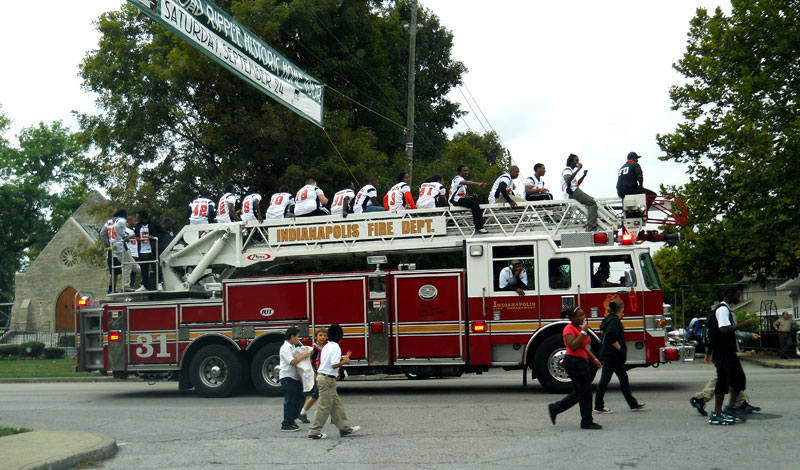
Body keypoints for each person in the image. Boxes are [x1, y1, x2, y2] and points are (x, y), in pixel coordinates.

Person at [547, 307, 603, 430]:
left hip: (582, 361)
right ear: (572, 318)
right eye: (579, 316)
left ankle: (555, 408)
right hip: (573, 362)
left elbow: (585, 347)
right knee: (586, 392)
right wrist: (583, 333)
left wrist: (594, 359)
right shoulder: (569, 329)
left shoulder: (579, 328)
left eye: (583, 314)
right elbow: (572, 346)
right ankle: (586, 421)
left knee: (580, 392)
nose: (583, 317)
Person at [707, 287, 753, 425]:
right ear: (730, 295)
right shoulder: (722, 309)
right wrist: (743, 324)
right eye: (738, 296)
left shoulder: (727, 309)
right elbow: (724, 329)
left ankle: (730, 408)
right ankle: (717, 413)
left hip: (729, 351)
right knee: (723, 381)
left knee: (738, 380)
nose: (739, 298)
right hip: (722, 352)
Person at [308, 323, 360, 440]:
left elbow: (329, 360)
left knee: (337, 405)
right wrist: (344, 362)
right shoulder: (336, 347)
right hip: (327, 379)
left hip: (324, 378)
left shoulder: (327, 346)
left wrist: (342, 357)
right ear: (340, 337)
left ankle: (345, 428)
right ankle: (314, 431)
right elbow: (333, 364)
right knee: (324, 406)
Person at [594, 299, 646, 414]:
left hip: (611, 355)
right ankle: (598, 406)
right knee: (605, 380)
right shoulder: (614, 321)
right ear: (620, 309)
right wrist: (620, 349)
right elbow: (611, 337)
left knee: (623, 379)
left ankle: (633, 404)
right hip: (612, 355)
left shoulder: (608, 319)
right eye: (623, 307)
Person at [279, 326, 312, 432]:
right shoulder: (285, 348)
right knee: (290, 400)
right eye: (297, 336)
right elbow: (292, 362)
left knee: (301, 397)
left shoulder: (293, 346)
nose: (299, 339)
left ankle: (292, 419)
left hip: (295, 377)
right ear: (292, 336)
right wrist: (304, 356)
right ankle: (286, 423)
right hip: (287, 377)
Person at [561, 154, 598, 231]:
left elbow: (576, 183)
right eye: (576, 160)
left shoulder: (570, 171)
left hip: (574, 190)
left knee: (590, 202)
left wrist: (584, 175)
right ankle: (591, 227)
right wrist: (578, 169)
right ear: (571, 161)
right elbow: (567, 179)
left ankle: (590, 223)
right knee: (592, 203)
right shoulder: (567, 170)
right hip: (573, 192)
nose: (578, 162)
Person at [299, 327, 328, 423]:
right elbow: (311, 363)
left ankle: (303, 413)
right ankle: (302, 413)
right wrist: (314, 374)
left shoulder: (324, 348)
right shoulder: (314, 349)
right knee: (316, 395)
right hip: (317, 375)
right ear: (315, 337)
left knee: (324, 395)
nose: (323, 337)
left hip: (322, 374)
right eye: (320, 335)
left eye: (324, 336)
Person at [449, 165, 488, 234]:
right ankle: (479, 227)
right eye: (464, 171)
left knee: (482, 202)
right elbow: (466, 183)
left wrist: (471, 197)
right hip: (455, 200)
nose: (466, 172)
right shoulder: (457, 178)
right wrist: (478, 184)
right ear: (459, 172)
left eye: (467, 170)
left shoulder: (461, 181)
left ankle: (481, 222)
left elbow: (462, 195)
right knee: (474, 204)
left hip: (459, 199)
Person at [105, 209, 136, 292]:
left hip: (115, 247)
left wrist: (107, 243)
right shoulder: (121, 221)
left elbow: (102, 233)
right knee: (127, 265)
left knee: (135, 267)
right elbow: (118, 227)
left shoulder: (109, 222)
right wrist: (123, 236)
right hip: (120, 246)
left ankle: (146, 278)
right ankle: (125, 286)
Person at [135, 210, 162, 291]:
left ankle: (160, 283)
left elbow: (161, 234)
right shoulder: (138, 226)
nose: (137, 218)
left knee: (155, 267)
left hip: (152, 250)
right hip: (142, 250)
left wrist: (153, 237)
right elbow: (136, 234)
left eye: (138, 217)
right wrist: (137, 238)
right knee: (144, 268)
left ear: (143, 217)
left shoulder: (153, 224)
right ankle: (144, 285)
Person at [125, 216, 142, 290]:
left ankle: (133, 285)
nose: (136, 222)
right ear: (129, 221)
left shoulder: (135, 229)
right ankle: (128, 285)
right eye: (134, 221)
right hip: (130, 252)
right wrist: (131, 237)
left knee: (135, 271)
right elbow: (124, 239)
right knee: (129, 270)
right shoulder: (125, 230)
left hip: (136, 252)